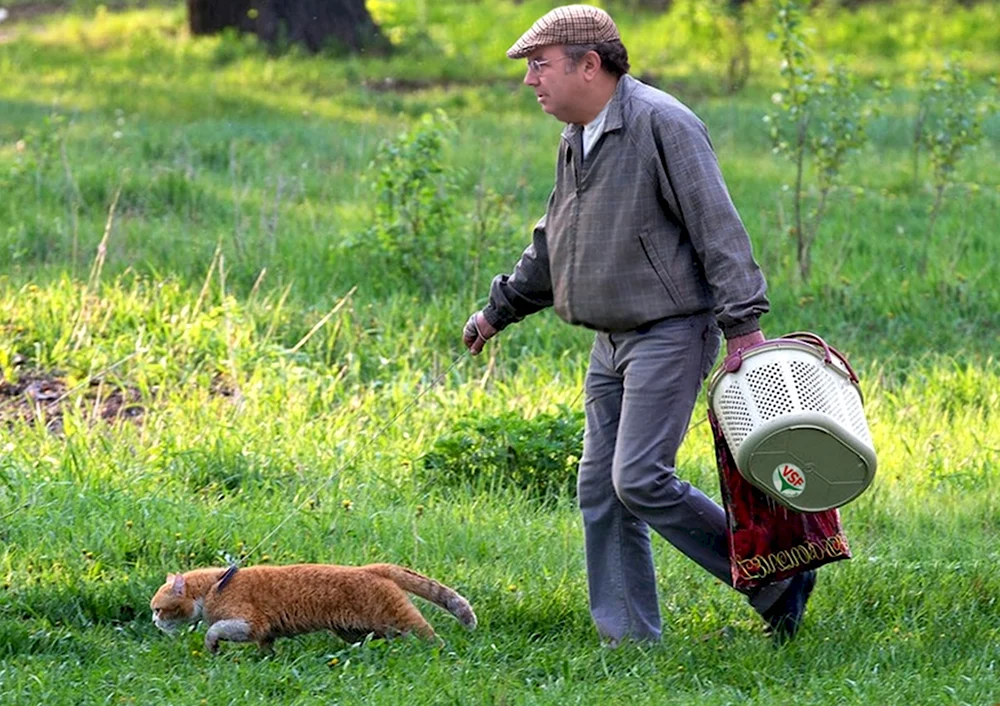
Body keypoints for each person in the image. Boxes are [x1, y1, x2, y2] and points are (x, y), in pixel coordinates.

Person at [461, 5, 816, 645]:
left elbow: (718, 227)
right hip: (610, 338)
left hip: (672, 331)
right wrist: (500, 308)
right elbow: (554, 239)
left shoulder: (663, 123)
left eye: (540, 66)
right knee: (601, 489)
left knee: (639, 479)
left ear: (589, 65)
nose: (529, 81)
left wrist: (743, 328)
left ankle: (777, 579)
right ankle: (628, 641)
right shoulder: (578, 134)